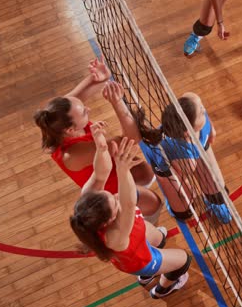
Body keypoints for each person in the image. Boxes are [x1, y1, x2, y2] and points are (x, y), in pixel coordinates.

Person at [70, 125, 192, 298]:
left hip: (137, 236)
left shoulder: (89, 204)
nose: (115, 196)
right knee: (184, 260)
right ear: (110, 219)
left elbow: (100, 173)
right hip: (140, 259)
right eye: (114, 202)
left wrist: (101, 146)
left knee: (160, 238)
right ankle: (163, 288)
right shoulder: (115, 236)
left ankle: (150, 274)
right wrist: (123, 168)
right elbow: (128, 204)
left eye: (109, 194)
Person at [33, 58, 162, 216]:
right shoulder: (73, 155)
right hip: (107, 191)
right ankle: (137, 228)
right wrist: (117, 102)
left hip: (114, 166)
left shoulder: (56, 116)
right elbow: (132, 139)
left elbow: (83, 95)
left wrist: (99, 77)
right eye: (84, 112)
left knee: (146, 173)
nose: (87, 108)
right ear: (70, 129)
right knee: (154, 204)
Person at [138, 93, 232, 224]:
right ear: (188, 131)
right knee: (185, 207)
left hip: (192, 146)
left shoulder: (191, 100)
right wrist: (185, 190)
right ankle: (173, 203)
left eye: (200, 106)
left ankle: (215, 203)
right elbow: (182, 177)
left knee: (217, 188)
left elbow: (198, 107)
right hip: (165, 165)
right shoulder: (186, 160)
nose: (203, 110)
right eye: (200, 112)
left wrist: (212, 130)